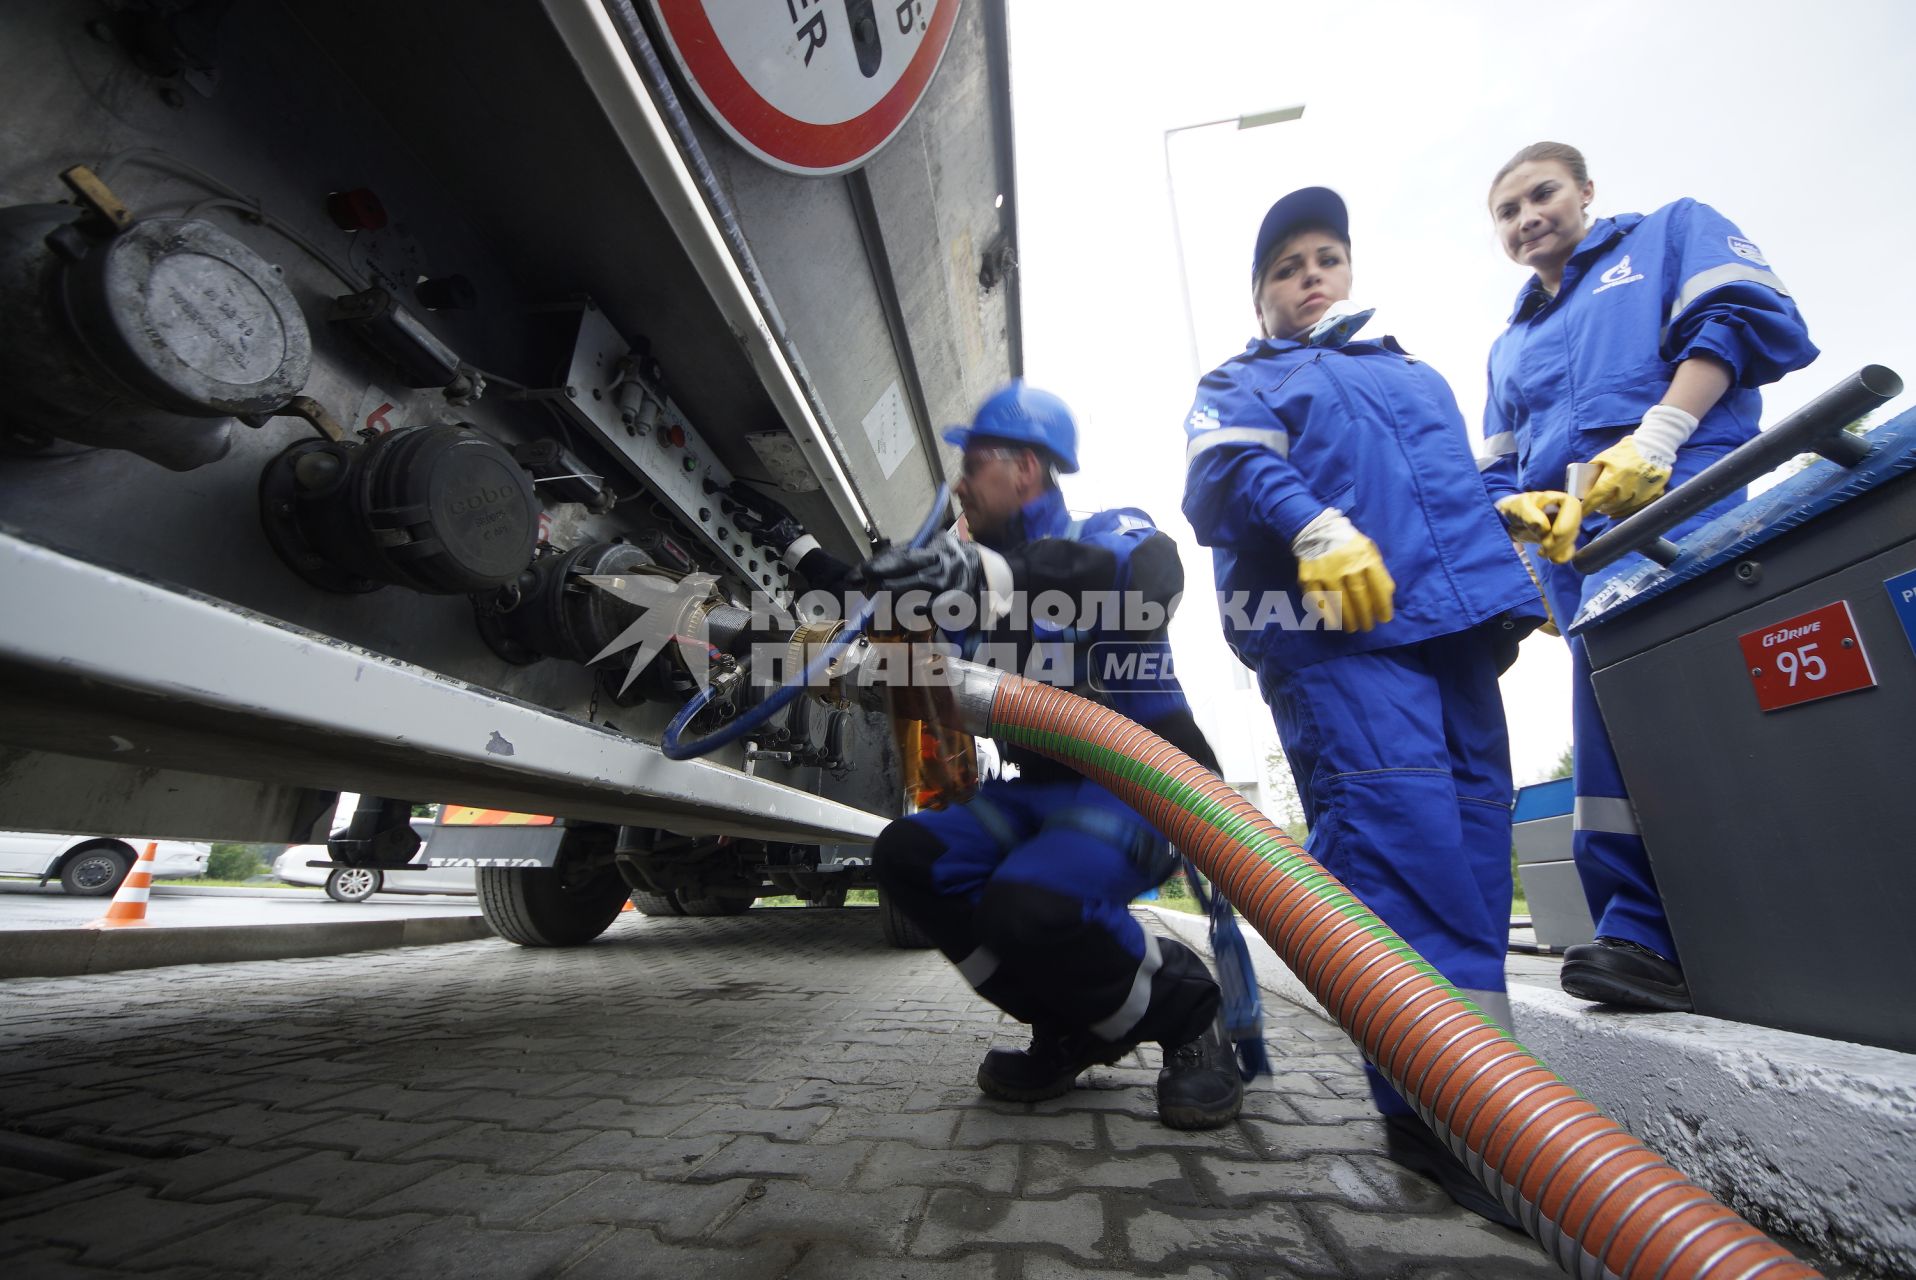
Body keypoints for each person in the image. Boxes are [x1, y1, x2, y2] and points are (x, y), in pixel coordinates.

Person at [1181, 186, 1543, 1227]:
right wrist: (1311, 527)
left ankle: (1483, 1105)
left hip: (1450, 635)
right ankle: (1439, 1118)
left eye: (1324, 257)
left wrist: (1510, 535)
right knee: (1403, 861)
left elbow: (1454, 490)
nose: (1309, 276)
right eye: (1286, 264)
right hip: (1340, 645)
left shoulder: (1408, 372)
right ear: (1260, 296)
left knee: (1474, 872)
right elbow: (1223, 470)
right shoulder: (1244, 376)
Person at [1481, 142, 1818, 1012]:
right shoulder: (1509, 344)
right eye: (1508, 212)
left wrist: (1661, 434)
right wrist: (1522, 530)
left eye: (1542, 195)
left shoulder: (1668, 235)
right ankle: (1663, 929)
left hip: (1679, 498)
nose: (1527, 219)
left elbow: (1739, 318)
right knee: (1621, 712)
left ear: (1587, 191)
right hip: (1575, 551)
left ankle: (1650, 932)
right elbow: (1497, 470)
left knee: (1653, 702)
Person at [855, 380, 1245, 1131]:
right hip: (1035, 795)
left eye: (974, 464)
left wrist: (995, 575)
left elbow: (1151, 575)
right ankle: (1071, 1026)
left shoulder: (1108, 531)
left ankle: (1191, 1011)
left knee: (1029, 906)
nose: (960, 483)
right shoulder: (965, 588)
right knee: (910, 857)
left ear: (1025, 468)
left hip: (1140, 785)